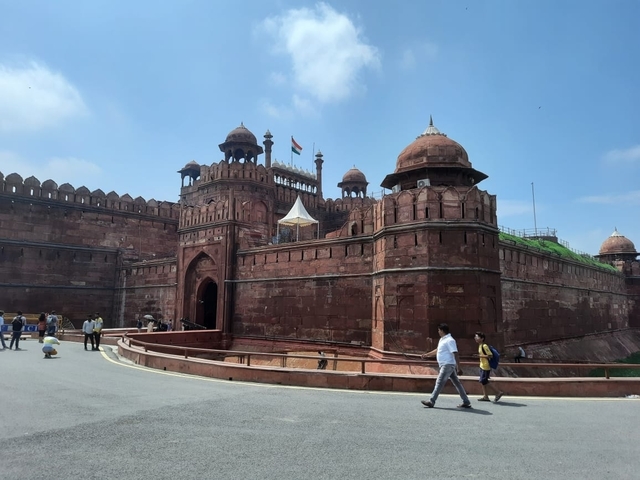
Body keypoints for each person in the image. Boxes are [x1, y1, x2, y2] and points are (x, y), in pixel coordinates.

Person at [420, 323, 471, 409]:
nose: (438, 332)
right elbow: (438, 350)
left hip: (447, 364)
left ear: (442, 331)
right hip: (446, 364)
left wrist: (459, 367)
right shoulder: (442, 340)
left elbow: (455, 353)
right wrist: (427, 355)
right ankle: (466, 401)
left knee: (439, 382)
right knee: (457, 383)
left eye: (439, 330)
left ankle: (431, 401)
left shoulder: (450, 340)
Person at [475, 332, 505, 403]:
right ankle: (485, 396)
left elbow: (490, 355)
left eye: (477, 337)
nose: (475, 338)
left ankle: (498, 392)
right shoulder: (480, 345)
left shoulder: (484, 346)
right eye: (475, 337)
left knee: (484, 381)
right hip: (482, 365)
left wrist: (480, 356)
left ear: (482, 339)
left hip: (486, 366)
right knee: (483, 382)